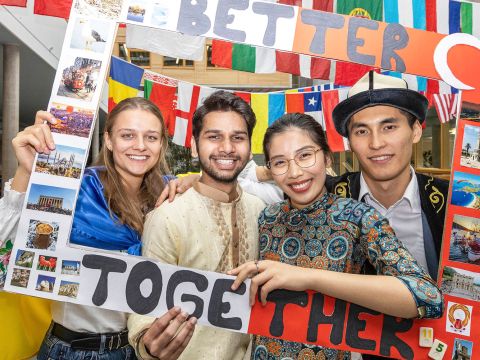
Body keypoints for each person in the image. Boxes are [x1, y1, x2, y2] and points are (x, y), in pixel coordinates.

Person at [229, 113, 443, 360]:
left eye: (305, 156)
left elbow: (427, 296)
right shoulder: (266, 216)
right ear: (270, 170)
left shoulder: (357, 216)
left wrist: (307, 277)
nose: (295, 172)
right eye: (280, 163)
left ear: (327, 157)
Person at [0, 97, 196, 359]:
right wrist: (26, 172)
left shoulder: (171, 195)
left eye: (151, 137)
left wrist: (197, 180)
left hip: (139, 349)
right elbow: (5, 243)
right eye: (127, 135)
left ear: (161, 144)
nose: (140, 146)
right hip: (74, 348)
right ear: (109, 140)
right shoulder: (75, 191)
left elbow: (236, 187)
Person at [127, 91, 266, 360]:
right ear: (194, 146)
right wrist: (148, 343)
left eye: (237, 138)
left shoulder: (260, 210)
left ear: (249, 147)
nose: (227, 147)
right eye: (214, 137)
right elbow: (144, 306)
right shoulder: (168, 216)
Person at [327, 70, 449, 281]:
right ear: (349, 143)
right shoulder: (327, 198)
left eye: (389, 127)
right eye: (362, 131)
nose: (376, 143)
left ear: (416, 131)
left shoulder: (451, 201)